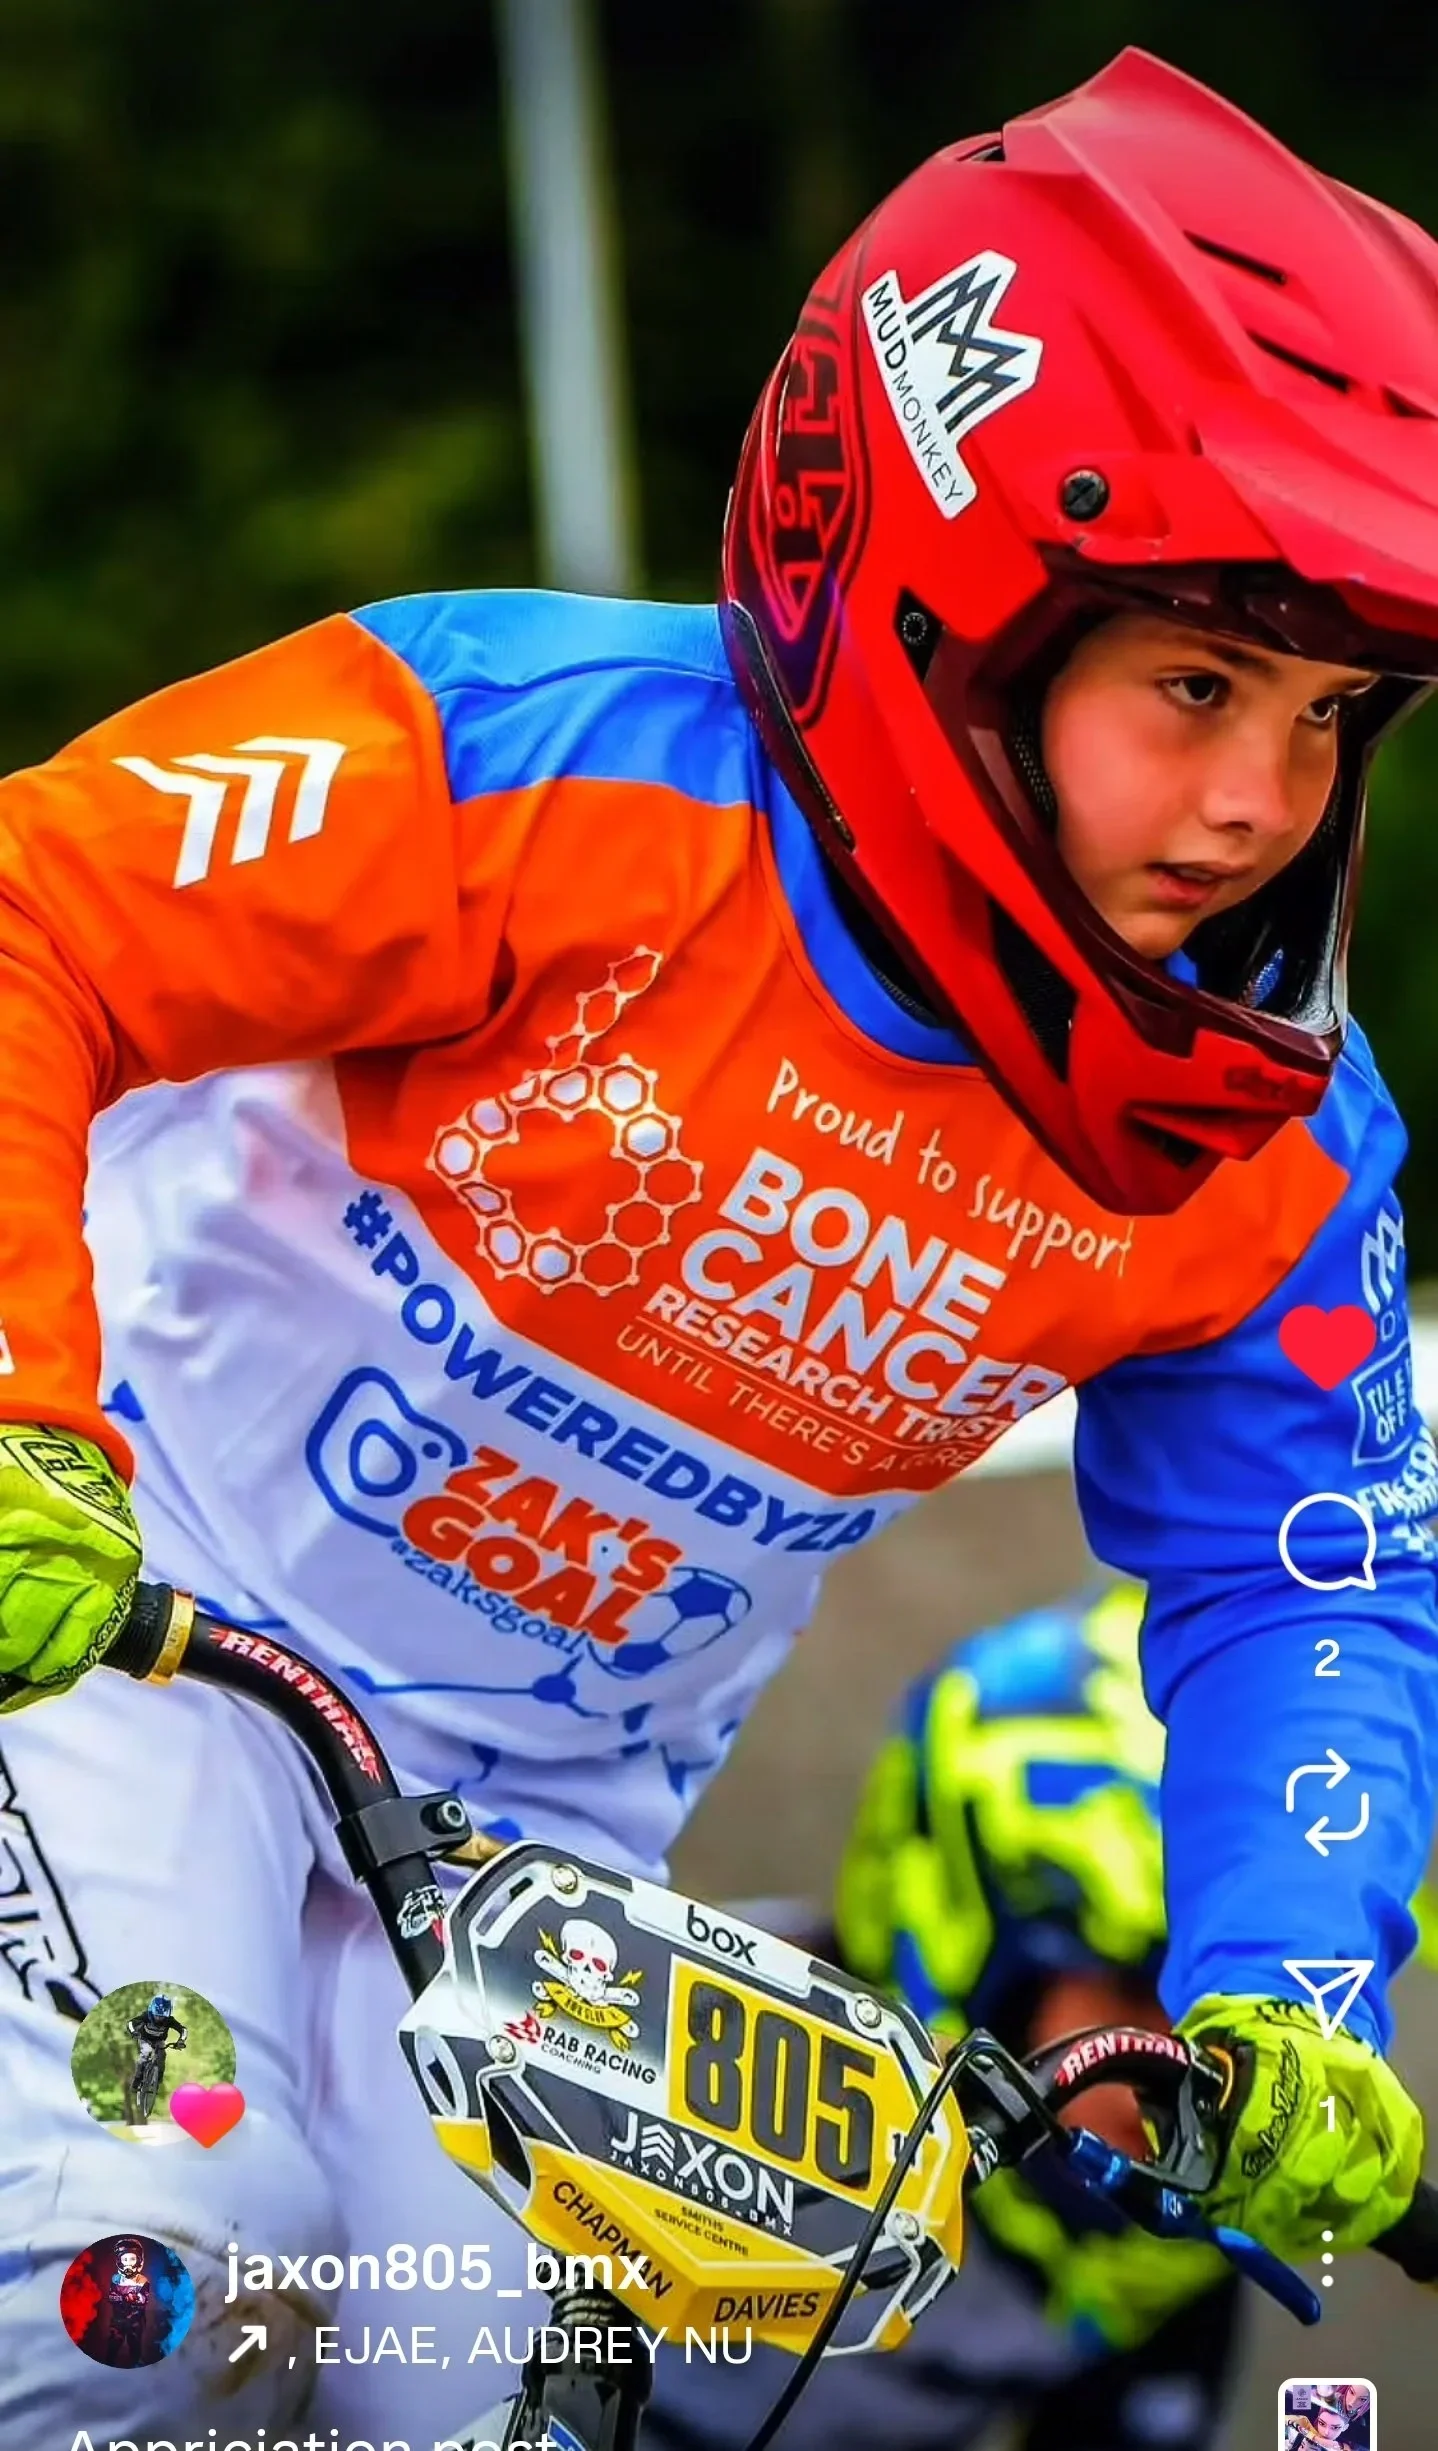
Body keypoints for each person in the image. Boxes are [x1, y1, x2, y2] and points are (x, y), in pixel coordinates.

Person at [0, 42, 1434, 2439]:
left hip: (542, 1845)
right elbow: (34, 910)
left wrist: (1291, 1977)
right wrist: (16, 1414)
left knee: (489, 2409)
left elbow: (1307, 1560)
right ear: (955, 604)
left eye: (1329, 716)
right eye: (1196, 684)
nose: (1257, 804)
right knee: (130, 2276)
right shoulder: (526, 759)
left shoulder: (1275, 1141)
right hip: (135, 1612)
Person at [647, 1580, 1244, 2451]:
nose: (1186, 2071)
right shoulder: (658, 2032)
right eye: (1137, 1988)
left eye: (1232, 2022)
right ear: (972, 1930)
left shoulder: (1171, 2242)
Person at [123, 1990, 187, 2125]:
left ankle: (157, 2079)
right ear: (152, 2011)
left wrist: (181, 2040)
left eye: (162, 2017)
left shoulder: (169, 2020)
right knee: (145, 2055)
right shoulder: (146, 2015)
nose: (159, 2019)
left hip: (159, 2041)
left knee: (162, 2055)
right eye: (157, 2016)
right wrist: (133, 2032)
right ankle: (137, 2081)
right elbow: (130, 2023)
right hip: (145, 2039)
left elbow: (183, 2029)